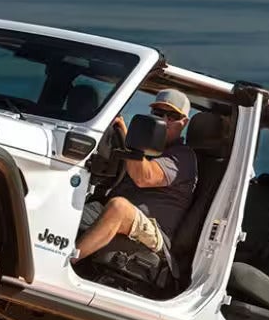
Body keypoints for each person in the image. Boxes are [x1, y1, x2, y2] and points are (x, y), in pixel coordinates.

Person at [75, 89, 198, 264]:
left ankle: (65, 263)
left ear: (184, 123)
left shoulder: (182, 156)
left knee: (119, 207)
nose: (163, 120)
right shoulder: (149, 146)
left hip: (155, 231)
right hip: (117, 211)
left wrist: (131, 141)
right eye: (158, 113)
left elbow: (144, 177)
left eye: (171, 116)